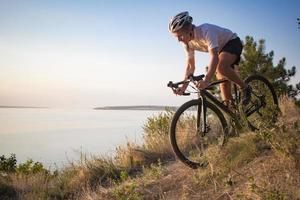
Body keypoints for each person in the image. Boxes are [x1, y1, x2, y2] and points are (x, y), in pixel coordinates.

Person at [168, 11, 251, 106]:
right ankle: (234, 114)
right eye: (176, 37)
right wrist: (183, 88)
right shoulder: (187, 44)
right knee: (223, 83)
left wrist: (206, 80)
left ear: (189, 29)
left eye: (180, 36)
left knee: (221, 67)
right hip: (220, 50)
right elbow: (190, 67)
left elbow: (214, 56)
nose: (179, 40)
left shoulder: (206, 31)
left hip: (232, 42)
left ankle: (245, 87)